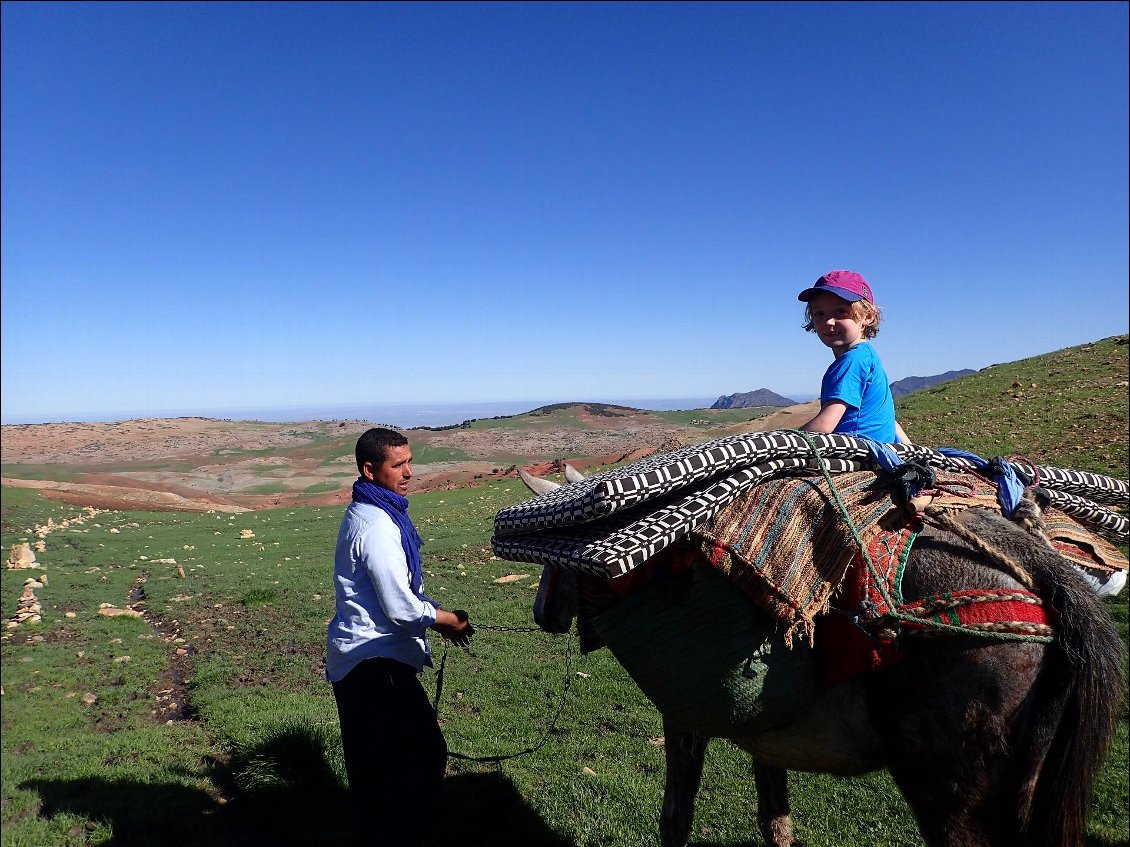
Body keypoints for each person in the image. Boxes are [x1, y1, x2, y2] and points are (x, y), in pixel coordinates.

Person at [326, 426, 474, 847]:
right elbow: (401, 607)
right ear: (370, 470)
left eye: (410, 461)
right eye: (399, 465)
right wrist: (448, 620)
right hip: (376, 661)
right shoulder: (376, 526)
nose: (409, 472)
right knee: (422, 758)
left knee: (371, 764)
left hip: (353, 657)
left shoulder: (371, 511)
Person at [797, 270, 911, 445]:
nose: (828, 321)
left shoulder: (852, 361)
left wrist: (784, 439)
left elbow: (825, 425)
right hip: (876, 449)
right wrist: (911, 450)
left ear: (867, 316)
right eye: (820, 314)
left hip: (857, 450)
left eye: (841, 312)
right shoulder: (868, 355)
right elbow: (889, 419)